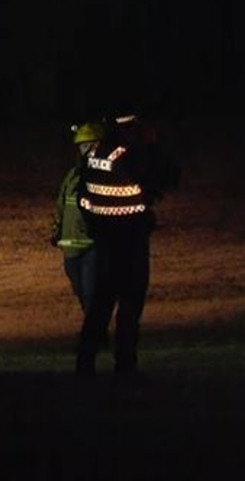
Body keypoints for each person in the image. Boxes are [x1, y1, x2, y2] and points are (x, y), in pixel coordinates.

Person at [75, 112, 180, 377]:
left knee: (100, 305)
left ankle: (84, 363)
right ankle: (125, 364)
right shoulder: (134, 155)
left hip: (104, 241)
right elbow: (167, 176)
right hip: (131, 239)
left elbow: (83, 198)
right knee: (130, 305)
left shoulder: (94, 156)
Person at [51, 121, 105, 313]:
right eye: (83, 146)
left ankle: (96, 337)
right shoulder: (72, 176)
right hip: (70, 250)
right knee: (82, 293)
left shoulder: (106, 175)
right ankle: (96, 333)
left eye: (91, 145)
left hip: (93, 245)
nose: (87, 150)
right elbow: (61, 206)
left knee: (91, 294)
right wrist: (57, 231)